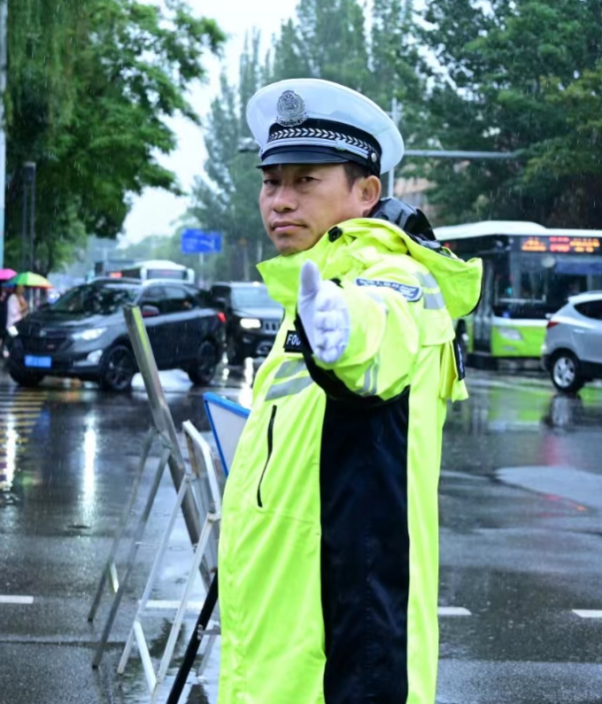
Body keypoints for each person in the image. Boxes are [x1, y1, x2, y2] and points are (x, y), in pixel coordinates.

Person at [216, 79, 483, 704]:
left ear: (366, 193)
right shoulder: (308, 286)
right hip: (278, 638)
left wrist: (348, 330)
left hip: (347, 656)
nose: (280, 200)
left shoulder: (391, 276)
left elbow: (382, 329)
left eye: (305, 181)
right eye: (271, 181)